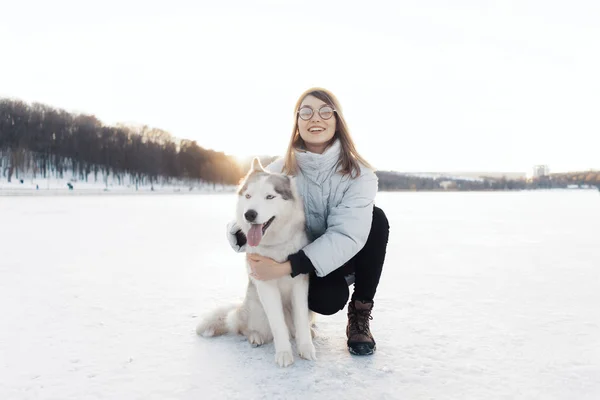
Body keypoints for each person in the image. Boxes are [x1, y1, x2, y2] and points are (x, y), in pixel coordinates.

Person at [227, 87, 389, 356]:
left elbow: (346, 236)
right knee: (324, 298)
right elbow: (253, 202)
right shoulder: (281, 170)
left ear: (337, 122)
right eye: (306, 112)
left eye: (325, 111)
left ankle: (359, 314)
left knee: (377, 220)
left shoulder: (360, 175)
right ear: (297, 123)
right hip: (299, 259)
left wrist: (285, 268)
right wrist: (244, 232)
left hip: (337, 259)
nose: (316, 118)